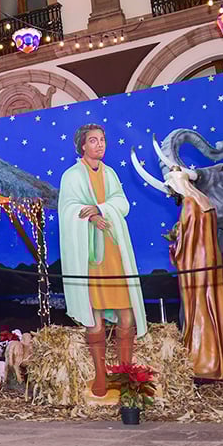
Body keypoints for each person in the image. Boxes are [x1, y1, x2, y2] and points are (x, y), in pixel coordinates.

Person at [59, 123, 146, 398]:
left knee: (125, 313)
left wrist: (100, 209)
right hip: (90, 257)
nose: (99, 145)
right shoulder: (71, 176)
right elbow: (69, 208)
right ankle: (100, 378)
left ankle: (125, 375)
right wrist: (88, 217)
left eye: (102, 140)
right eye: (93, 141)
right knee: (94, 316)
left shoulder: (110, 174)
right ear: (82, 146)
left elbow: (122, 203)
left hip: (114, 249)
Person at [162, 159, 223, 380]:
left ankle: (202, 361)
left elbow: (188, 242)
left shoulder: (189, 205)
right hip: (210, 263)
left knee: (199, 308)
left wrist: (175, 246)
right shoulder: (204, 201)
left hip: (195, 266)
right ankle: (217, 360)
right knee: (211, 305)